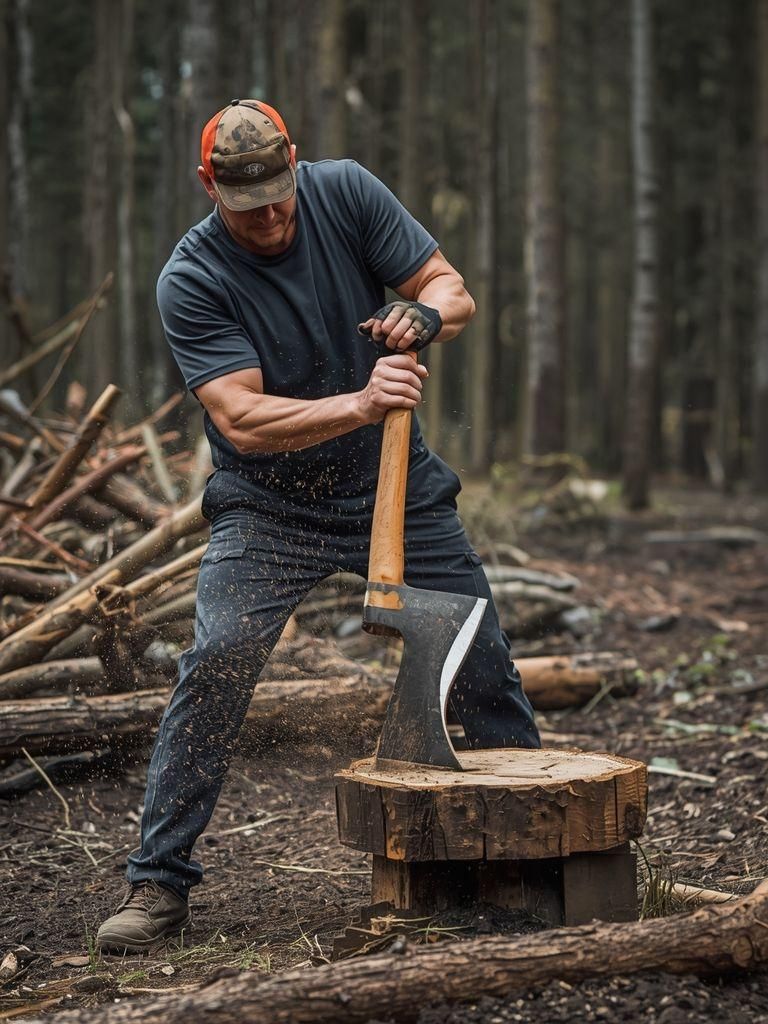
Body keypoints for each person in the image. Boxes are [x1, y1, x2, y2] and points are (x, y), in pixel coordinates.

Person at [96, 99, 540, 953]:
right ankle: (158, 886)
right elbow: (241, 418)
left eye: (279, 195)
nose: (268, 218)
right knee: (218, 661)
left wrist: (427, 315)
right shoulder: (192, 277)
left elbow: (451, 286)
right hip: (270, 507)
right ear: (209, 185)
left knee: (478, 658)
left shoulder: (348, 194)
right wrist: (361, 402)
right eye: (246, 204)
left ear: (295, 161)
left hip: (395, 486)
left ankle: (528, 853)